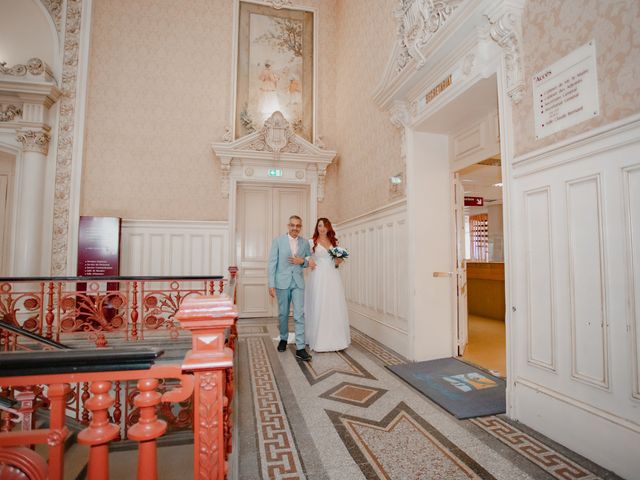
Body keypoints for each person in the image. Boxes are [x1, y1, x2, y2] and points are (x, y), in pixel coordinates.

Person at [268, 215, 314, 361]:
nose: (295, 228)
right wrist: (271, 284)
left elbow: (309, 261)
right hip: (282, 282)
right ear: (288, 226)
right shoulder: (278, 241)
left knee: (299, 314)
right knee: (283, 313)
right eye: (293, 225)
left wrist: (302, 261)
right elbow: (272, 264)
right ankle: (283, 338)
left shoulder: (305, 243)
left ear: (301, 227)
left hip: (298, 282)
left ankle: (300, 348)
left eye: (298, 226)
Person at [304, 218, 351, 352]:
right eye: (320, 226)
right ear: (316, 227)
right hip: (318, 276)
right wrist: (309, 261)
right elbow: (306, 256)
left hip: (332, 276)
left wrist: (339, 260)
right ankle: (318, 339)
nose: (322, 228)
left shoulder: (334, 242)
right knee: (319, 304)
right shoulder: (311, 242)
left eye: (325, 226)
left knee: (333, 304)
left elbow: (336, 262)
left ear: (329, 227)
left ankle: (336, 338)